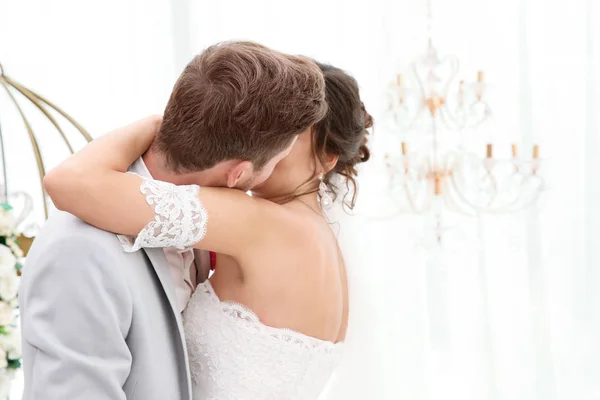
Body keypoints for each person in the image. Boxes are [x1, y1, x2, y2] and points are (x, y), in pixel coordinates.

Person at [43, 62, 371, 399]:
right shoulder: (326, 243)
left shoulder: (262, 224)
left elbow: (70, 183)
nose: (272, 138)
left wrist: (160, 125)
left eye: (293, 132)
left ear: (328, 158)